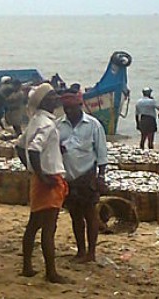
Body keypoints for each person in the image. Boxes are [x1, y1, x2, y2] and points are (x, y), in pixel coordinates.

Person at [15, 83, 69, 283]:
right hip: (49, 180)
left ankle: (27, 266)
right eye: (52, 96)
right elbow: (34, 149)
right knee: (49, 227)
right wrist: (43, 174)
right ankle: (51, 272)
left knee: (34, 224)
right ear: (44, 101)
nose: (57, 98)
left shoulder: (35, 120)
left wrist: (31, 169)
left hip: (40, 179)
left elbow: (20, 146)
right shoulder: (47, 124)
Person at [58, 91, 107, 264]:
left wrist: (101, 176)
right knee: (75, 216)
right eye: (66, 109)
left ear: (80, 106)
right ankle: (80, 251)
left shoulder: (93, 125)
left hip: (87, 176)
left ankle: (91, 252)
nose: (69, 112)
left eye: (72, 108)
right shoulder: (59, 125)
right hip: (68, 178)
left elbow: (101, 153)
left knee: (90, 215)